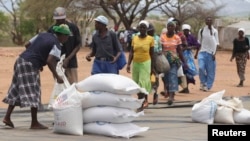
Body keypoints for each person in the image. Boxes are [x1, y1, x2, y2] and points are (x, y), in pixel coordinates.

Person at [2, 24, 71, 129]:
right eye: (66, 36)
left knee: (16, 89)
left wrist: (38, 60)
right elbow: (50, 61)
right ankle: (34, 123)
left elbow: (27, 44)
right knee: (35, 91)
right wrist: (57, 76)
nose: (67, 39)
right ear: (61, 35)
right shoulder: (56, 45)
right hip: (30, 64)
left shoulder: (42, 35)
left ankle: (7, 117)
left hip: (20, 60)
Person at [48, 7, 82, 84]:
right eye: (58, 20)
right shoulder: (51, 30)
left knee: (73, 87)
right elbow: (49, 47)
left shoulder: (73, 28)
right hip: (57, 65)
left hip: (71, 63)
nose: (60, 22)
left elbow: (78, 44)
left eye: (62, 20)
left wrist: (68, 59)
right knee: (60, 87)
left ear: (65, 18)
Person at [126, 20, 155, 112]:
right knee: (137, 83)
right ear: (138, 28)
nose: (142, 29)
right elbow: (131, 51)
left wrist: (152, 68)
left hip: (145, 63)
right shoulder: (134, 38)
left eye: (144, 27)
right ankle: (143, 101)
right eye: (141, 27)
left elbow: (152, 54)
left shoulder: (150, 39)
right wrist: (128, 64)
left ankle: (142, 103)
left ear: (146, 29)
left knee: (143, 82)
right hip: (136, 63)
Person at [160, 21, 187, 105]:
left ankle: (171, 96)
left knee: (172, 77)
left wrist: (184, 62)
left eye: (172, 26)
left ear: (175, 28)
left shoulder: (177, 38)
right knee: (166, 78)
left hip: (173, 60)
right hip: (164, 60)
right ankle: (168, 92)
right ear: (167, 27)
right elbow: (160, 49)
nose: (170, 28)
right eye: (169, 26)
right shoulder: (162, 37)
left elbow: (179, 50)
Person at [197, 17, 219, 91]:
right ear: (205, 21)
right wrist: (197, 52)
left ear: (212, 22)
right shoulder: (201, 30)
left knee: (211, 71)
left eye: (210, 20)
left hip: (211, 53)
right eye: (207, 20)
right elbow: (199, 42)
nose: (209, 21)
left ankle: (208, 85)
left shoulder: (215, 31)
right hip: (202, 52)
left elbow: (217, 44)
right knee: (201, 68)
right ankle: (203, 82)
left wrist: (214, 54)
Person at [179, 24, 200, 93]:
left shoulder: (192, 37)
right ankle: (185, 87)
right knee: (182, 71)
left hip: (189, 56)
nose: (186, 32)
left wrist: (190, 48)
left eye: (187, 30)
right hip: (181, 55)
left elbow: (197, 45)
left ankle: (186, 87)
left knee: (187, 70)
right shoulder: (180, 37)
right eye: (185, 30)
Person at [147, 23, 162, 105]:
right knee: (146, 78)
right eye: (149, 31)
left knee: (155, 77)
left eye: (152, 30)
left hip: (155, 59)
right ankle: (145, 97)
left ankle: (155, 94)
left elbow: (160, 48)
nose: (151, 32)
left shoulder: (157, 38)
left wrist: (159, 51)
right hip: (146, 59)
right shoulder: (145, 38)